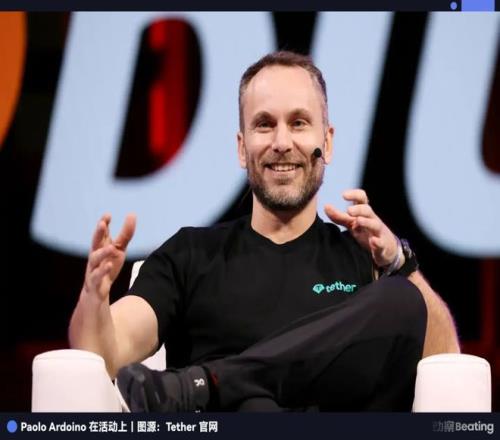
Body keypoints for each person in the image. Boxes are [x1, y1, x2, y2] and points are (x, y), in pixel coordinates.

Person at [69, 51, 460, 412]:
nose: (282, 142)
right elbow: (104, 351)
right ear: (242, 148)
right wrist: (93, 297)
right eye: (264, 124)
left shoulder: (365, 260)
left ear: (327, 142)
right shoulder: (190, 254)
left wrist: (400, 264)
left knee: (402, 297)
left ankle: (209, 383)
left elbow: (448, 364)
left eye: (299, 123)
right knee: (256, 410)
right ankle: (221, 388)